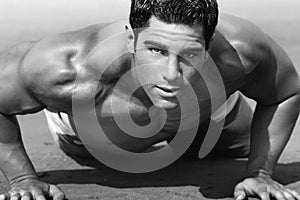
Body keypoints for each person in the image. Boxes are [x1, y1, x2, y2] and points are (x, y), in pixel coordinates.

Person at [0, 0, 299, 199]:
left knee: (237, 145)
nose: (172, 75)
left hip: (209, 116)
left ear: (209, 45)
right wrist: (23, 180)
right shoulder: (65, 69)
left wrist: (260, 173)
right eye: (156, 50)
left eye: (191, 55)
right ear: (132, 39)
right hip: (94, 133)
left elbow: (286, 93)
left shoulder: (241, 54)